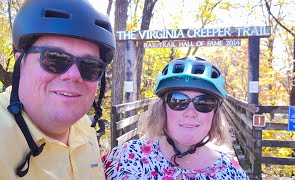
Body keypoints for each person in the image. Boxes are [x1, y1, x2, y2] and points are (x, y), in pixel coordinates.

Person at [0, 0, 115, 179]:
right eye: (54, 58)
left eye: (90, 66)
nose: (74, 75)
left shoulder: (85, 127)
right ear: (19, 62)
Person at [103, 56, 249, 179]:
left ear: (214, 114)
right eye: (178, 101)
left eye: (204, 102)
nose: (190, 112)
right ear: (162, 109)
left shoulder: (232, 174)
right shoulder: (125, 158)